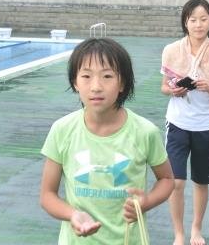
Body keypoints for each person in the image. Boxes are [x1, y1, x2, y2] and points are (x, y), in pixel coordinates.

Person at [40, 38, 174, 245]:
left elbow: (166, 179)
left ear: (122, 83)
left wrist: (146, 201)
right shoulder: (62, 130)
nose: (96, 86)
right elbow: (47, 195)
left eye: (107, 76)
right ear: (75, 82)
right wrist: (73, 214)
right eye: (86, 76)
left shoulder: (145, 132)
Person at [160, 0, 209, 245]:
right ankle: (178, 233)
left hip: (204, 126)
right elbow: (164, 87)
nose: (198, 24)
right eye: (193, 19)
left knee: (201, 181)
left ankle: (195, 229)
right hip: (178, 123)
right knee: (176, 182)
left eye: (203, 19)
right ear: (185, 22)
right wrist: (175, 90)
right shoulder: (171, 50)